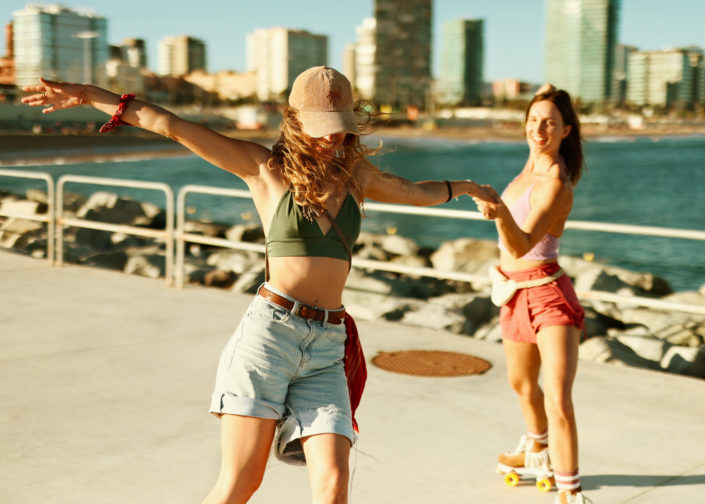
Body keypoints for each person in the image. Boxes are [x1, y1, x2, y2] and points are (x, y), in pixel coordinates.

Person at [23, 66, 496, 504]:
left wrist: (470, 187)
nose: (333, 134)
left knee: (333, 486)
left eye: (341, 122)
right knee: (239, 484)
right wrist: (89, 95)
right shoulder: (263, 168)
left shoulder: (357, 177)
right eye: (322, 122)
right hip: (271, 335)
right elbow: (170, 124)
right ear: (294, 119)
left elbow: (415, 192)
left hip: (328, 346)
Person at [472, 84, 587, 504]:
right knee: (522, 384)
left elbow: (521, 245)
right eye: (533, 121)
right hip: (513, 293)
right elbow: (510, 242)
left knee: (557, 397)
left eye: (550, 124)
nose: (540, 129)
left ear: (566, 132)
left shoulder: (556, 182)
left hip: (548, 295)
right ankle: (538, 451)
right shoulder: (525, 173)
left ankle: (569, 493)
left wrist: (498, 210)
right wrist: (546, 95)